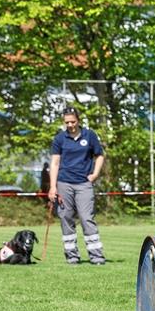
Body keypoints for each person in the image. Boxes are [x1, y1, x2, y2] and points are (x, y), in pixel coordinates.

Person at [48, 107, 106, 265]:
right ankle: (72, 256)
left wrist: (95, 174)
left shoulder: (90, 135)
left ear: (78, 120)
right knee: (66, 217)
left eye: (73, 121)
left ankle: (97, 256)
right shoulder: (60, 138)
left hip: (84, 184)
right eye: (67, 122)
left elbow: (99, 155)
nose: (70, 125)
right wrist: (52, 187)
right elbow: (54, 163)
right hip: (63, 183)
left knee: (87, 218)